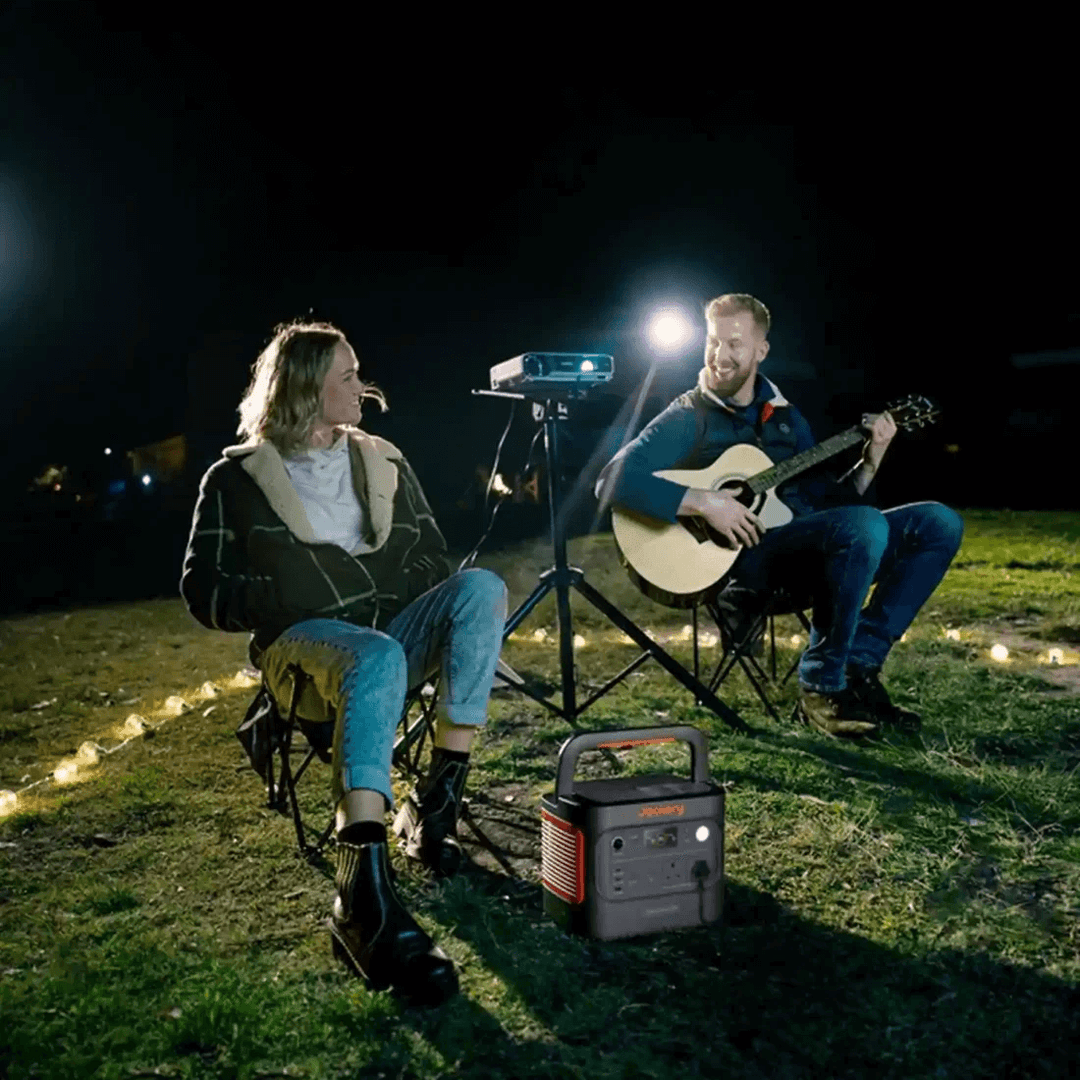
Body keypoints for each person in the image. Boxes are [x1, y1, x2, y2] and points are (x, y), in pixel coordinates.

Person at [180, 320, 507, 1006]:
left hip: (389, 633)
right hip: (304, 648)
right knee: (377, 651)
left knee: (481, 589)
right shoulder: (236, 478)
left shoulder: (384, 459)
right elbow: (202, 592)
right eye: (348, 376)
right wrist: (283, 595)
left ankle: (434, 804)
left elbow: (434, 556)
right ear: (304, 388)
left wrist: (391, 587)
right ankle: (360, 898)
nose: (365, 386)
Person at [597, 293, 963, 738]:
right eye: (712, 342)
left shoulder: (787, 420)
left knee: (938, 523)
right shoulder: (690, 415)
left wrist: (871, 458)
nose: (720, 355)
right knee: (862, 526)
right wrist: (705, 502)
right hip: (741, 567)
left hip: (803, 556)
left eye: (734, 344)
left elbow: (829, 506)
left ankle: (858, 670)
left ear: (760, 351)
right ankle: (822, 686)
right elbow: (612, 480)